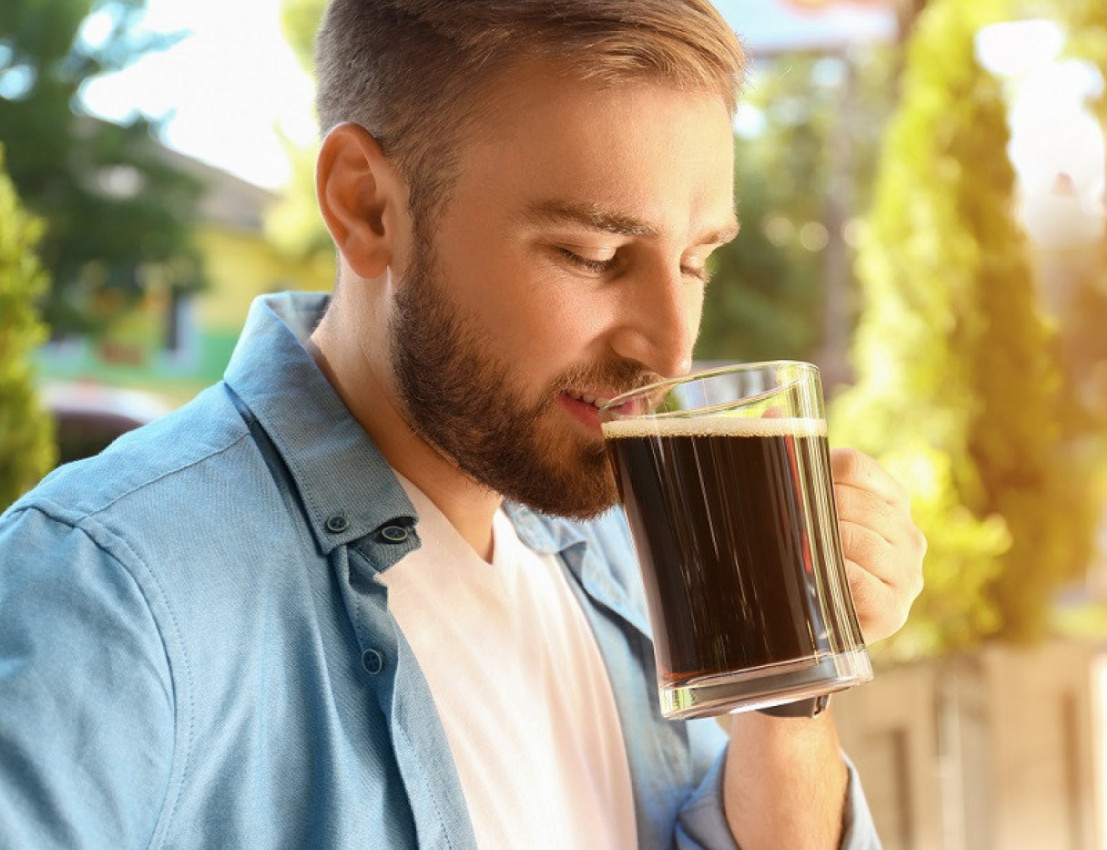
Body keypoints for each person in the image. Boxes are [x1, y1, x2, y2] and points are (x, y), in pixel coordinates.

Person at [0, 1, 925, 847]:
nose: (672, 352)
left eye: (693, 261)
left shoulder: (610, 540)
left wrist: (785, 678)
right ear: (367, 206)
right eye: (593, 254)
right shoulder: (106, 597)